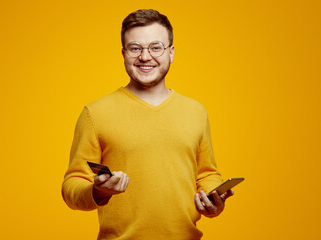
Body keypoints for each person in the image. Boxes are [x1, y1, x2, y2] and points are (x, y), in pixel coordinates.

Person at [62, 9, 234, 240]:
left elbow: (207, 173)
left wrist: (214, 198)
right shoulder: (95, 113)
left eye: (156, 47)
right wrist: (97, 191)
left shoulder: (196, 111)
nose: (145, 56)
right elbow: (72, 185)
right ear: (123, 53)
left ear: (171, 53)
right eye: (135, 48)